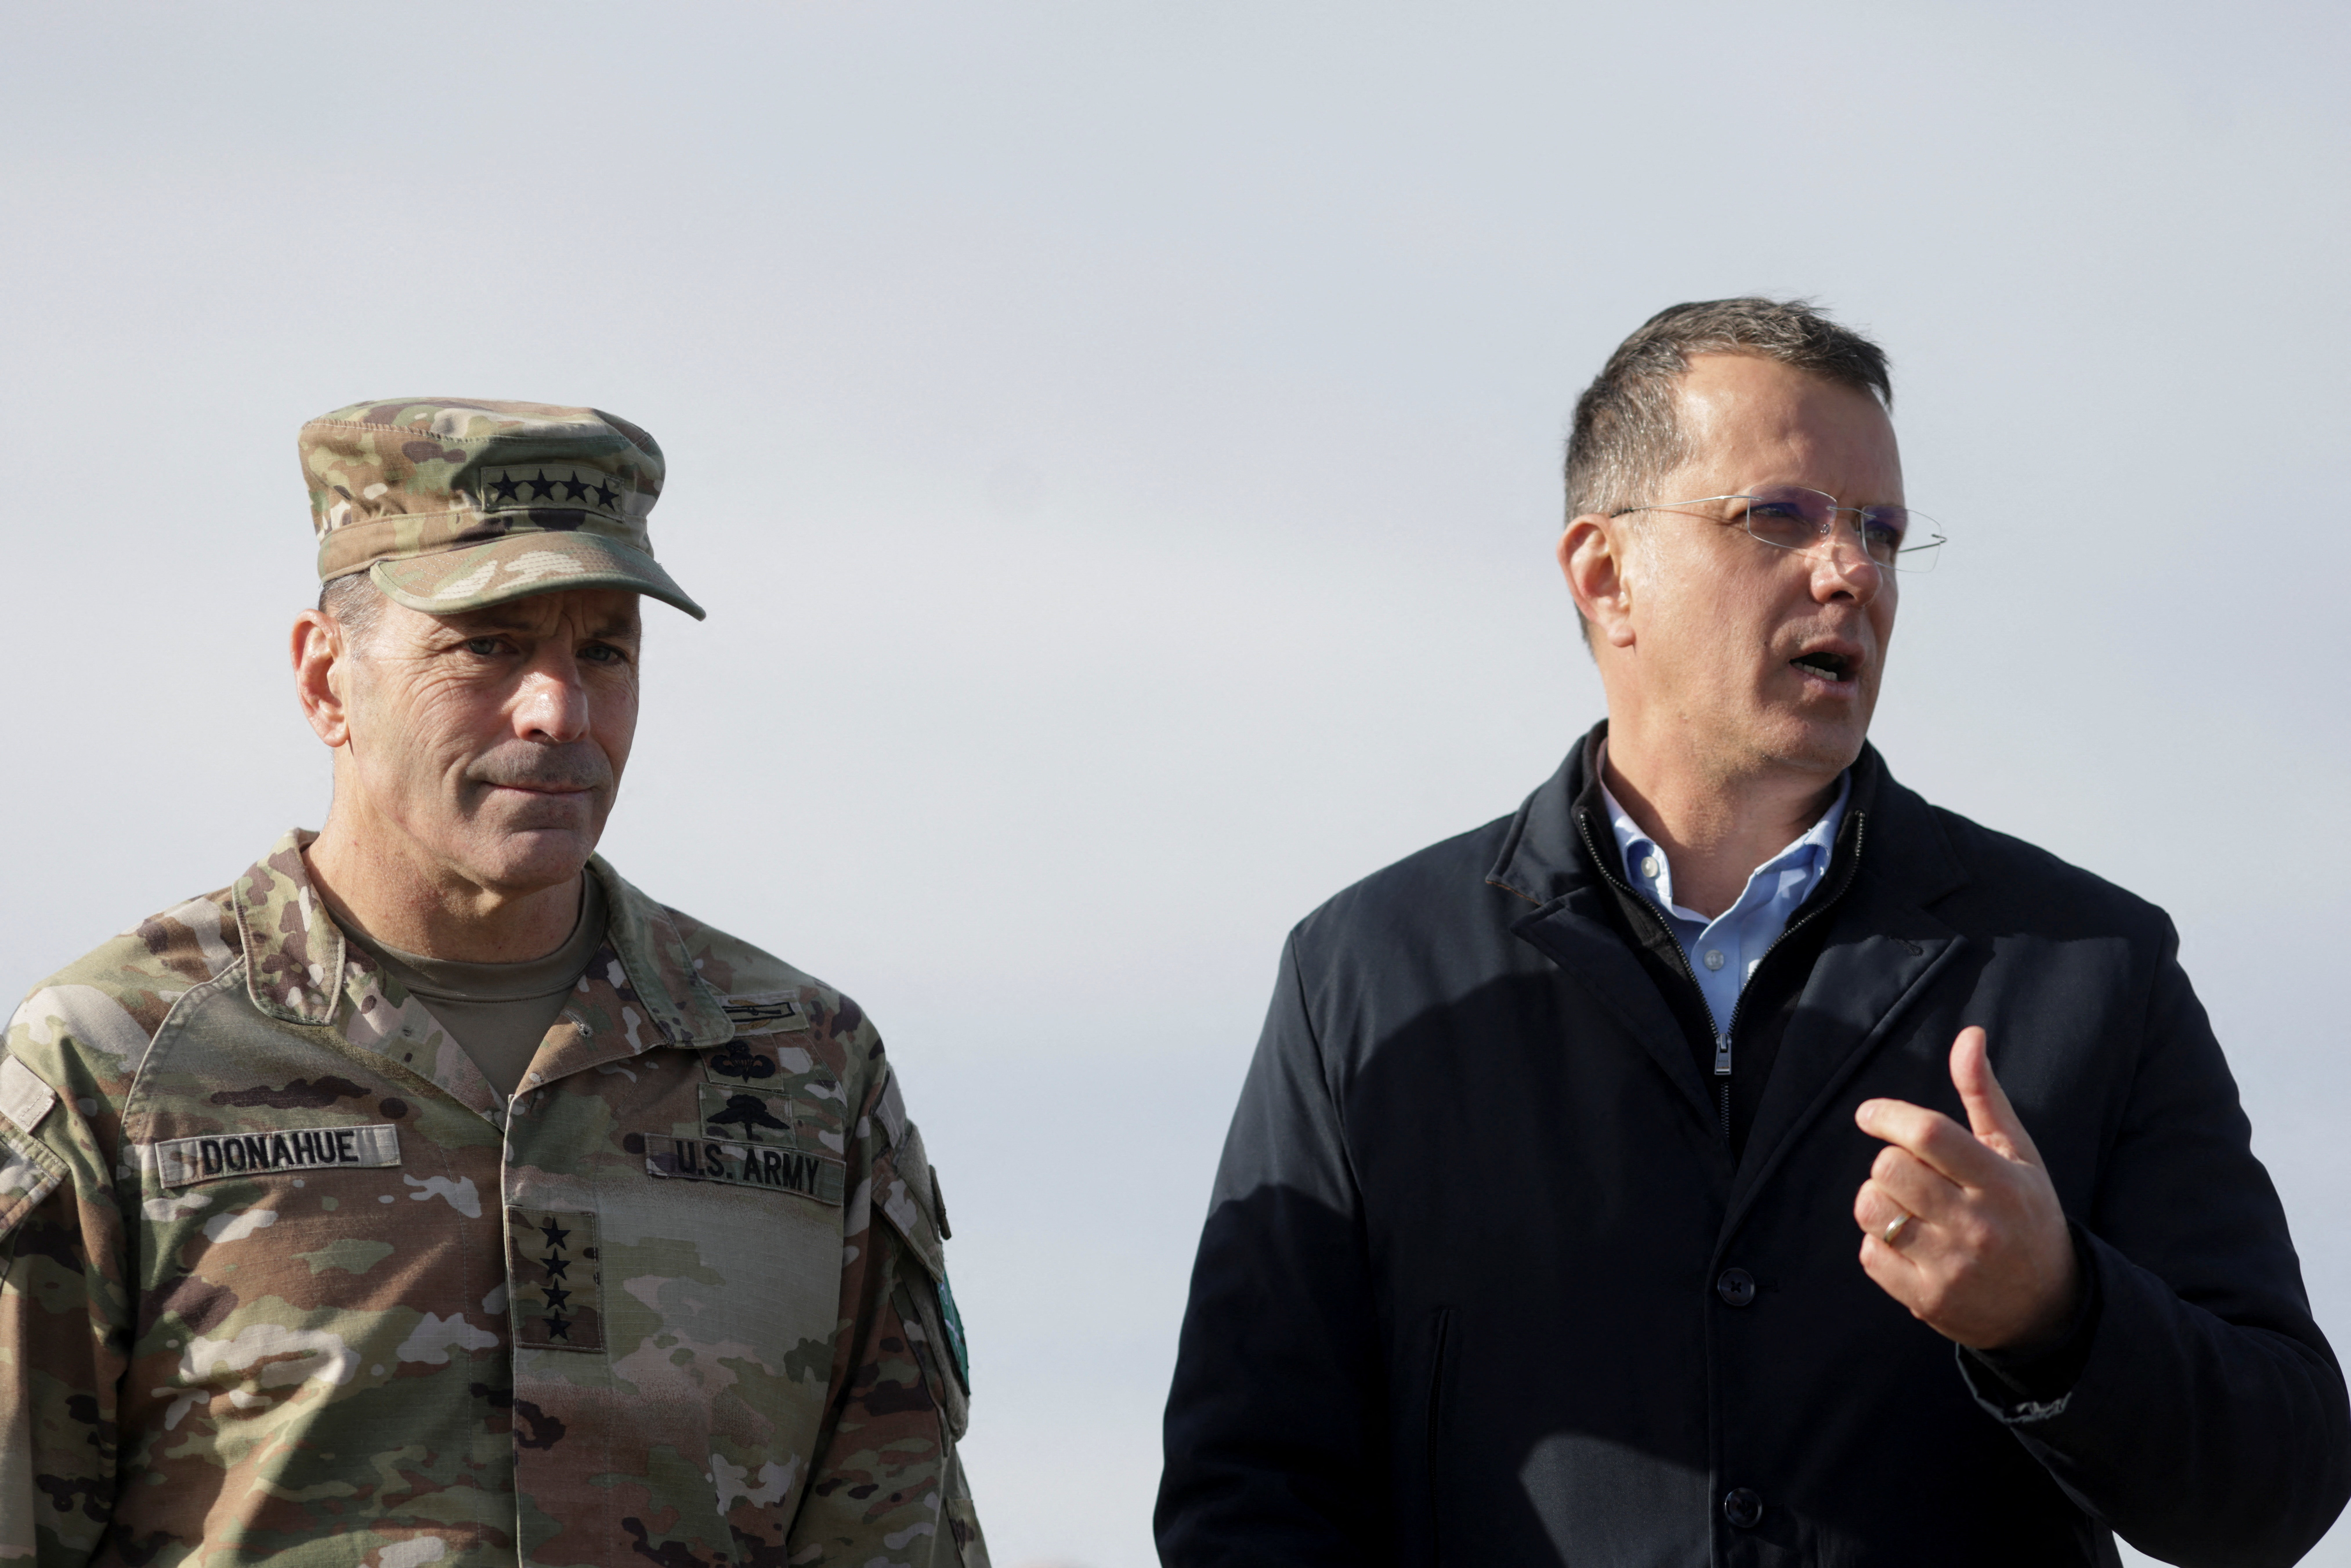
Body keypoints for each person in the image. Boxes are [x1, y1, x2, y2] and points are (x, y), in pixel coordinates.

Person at [1155, 300, 2351, 1565]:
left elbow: (2276, 1487)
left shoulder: (2089, 964)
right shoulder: (1367, 975)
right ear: (1604, 573)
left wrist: (2057, 1316)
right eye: (1778, 517)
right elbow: (1250, 1493)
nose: (1852, 573)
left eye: (1881, 533)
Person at [0, 399, 987, 1567]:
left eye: (604, 652)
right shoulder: (122, 1059)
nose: (558, 711)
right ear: (327, 678)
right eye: (487, 645)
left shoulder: (802, 1071)